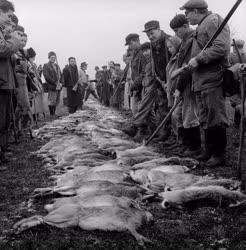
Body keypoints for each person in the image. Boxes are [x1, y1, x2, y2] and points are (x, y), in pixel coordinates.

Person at [180, 0, 230, 167]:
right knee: (205, 117)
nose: (186, 17)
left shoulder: (212, 21)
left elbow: (221, 47)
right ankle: (208, 150)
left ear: (195, 10)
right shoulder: (202, 25)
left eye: (187, 13)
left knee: (215, 116)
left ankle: (218, 153)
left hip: (212, 78)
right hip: (201, 80)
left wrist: (199, 59)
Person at [169, 14, 201, 156]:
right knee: (179, 114)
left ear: (185, 26)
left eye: (177, 31)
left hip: (191, 82)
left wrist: (179, 88)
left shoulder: (193, 40)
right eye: (174, 31)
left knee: (190, 116)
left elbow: (188, 67)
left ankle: (194, 147)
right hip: (184, 82)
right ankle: (185, 144)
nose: (176, 34)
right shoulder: (184, 41)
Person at [0, 0, 22, 166]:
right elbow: (2, 50)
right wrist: (14, 40)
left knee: (5, 120)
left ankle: (2, 153)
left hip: (5, 82)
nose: (10, 20)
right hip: (1, 83)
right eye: (7, 15)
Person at [142, 20, 171, 142]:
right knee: (162, 107)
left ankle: (178, 138)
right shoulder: (152, 44)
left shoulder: (169, 40)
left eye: (152, 33)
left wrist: (170, 81)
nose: (150, 36)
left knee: (176, 111)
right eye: (148, 34)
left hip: (172, 80)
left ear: (159, 29)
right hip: (160, 81)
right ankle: (166, 134)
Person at [14, 27, 34, 137]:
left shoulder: (23, 53)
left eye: (25, 41)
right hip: (18, 81)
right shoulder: (14, 52)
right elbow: (16, 67)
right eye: (22, 40)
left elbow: (28, 68)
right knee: (25, 106)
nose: (23, 43)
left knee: (20, 106)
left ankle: (18, 128)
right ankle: (25, 127)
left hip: (24, 81)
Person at [26, 47, 46, 121]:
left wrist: (39, 71)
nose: (34, 58)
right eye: (33, 56)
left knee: (37, 102)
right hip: (31, 85)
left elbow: (37, 76)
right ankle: (33, 117)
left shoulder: (34, 64)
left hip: (37, 84)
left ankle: (36, 116)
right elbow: (31, 75)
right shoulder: (28, 63)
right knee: (32, 102)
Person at [43, 51, 63, 116]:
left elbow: (61, 74)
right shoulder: (46, 65)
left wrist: (61, 82)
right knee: (52, 100)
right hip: (52, 86)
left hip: (58, 85)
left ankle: (54, 112)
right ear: (49, 58)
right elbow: (47, 76)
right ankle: (52, 114)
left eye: (54, 57)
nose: (53, 59)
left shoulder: (57, 65)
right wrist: (54, 83)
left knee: (57, 100)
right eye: (51, 57)